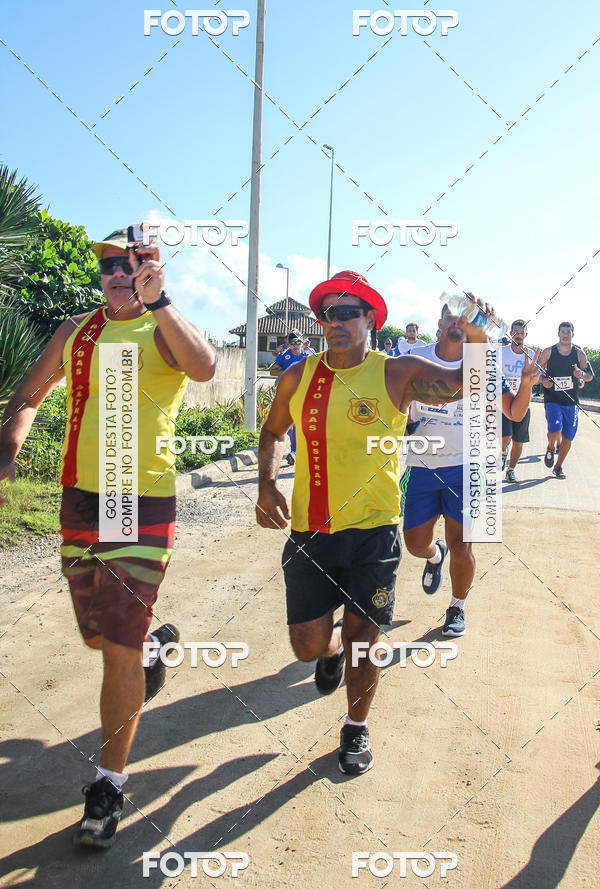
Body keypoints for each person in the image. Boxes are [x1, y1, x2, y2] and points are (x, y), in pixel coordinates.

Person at [0, 227, 215, 848]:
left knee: (117, 641)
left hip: (139, 501)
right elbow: (30, 393)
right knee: (99, 635)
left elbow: (203, 367)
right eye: (112, 267)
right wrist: (9, 445)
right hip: (82, 502)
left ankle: (108, 784)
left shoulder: (164, 328)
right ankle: (150, 652)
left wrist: (162, 302)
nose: (121, 274)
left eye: (134, 264)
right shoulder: (76, 330)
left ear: (152, 268)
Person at [256, 270, 498, 776]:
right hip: (311, 532)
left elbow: (467, 388)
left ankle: (355, 727)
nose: (336, 321)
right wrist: (267, 483)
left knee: (367, 638)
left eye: (348, 312)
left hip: (375, 533)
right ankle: (332, 648)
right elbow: (274, 430)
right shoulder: (298, 376)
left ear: (370, 318)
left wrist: (476, 331)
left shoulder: (398, 372)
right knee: (306, 645)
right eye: (328, 313)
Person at [401, 303, 539, 638]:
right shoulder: (412, 359)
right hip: (422, 466)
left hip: (467, 467)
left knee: (462, 544)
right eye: (453, 318)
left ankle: (457, 607)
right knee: (415, 543)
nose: (460, 324)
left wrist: (526, 384)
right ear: (440, 322)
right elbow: (396, 405)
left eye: (468, 320)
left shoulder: (483, 363)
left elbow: (515, 412)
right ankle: (435, 555)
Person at [540, 322, 593, 479]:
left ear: (572, 334)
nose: (565, 335)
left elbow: (589, 375)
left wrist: (581, 375)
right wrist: (543, 380)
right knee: (555, 431)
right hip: (552, 399)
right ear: (558, 334)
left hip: (571, 402)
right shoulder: (549, 352)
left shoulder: (579, 353)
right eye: (562, 332)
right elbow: (535, 372)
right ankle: (550, 447)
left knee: (568, 439)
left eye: (568, 332)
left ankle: (558, 466)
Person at [269, 329, 309, 465]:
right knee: (290, 426)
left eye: (298, 342)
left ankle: (295, 452)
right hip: (287, 393)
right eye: (293, 342)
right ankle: (294, 451)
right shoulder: (283, 356)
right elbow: (272, 371)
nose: (296, 345)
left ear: (302, 343)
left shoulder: (308, 356)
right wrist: (286, 372)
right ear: (289, 343)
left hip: (303, 394)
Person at [501, 320, 533, 483]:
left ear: (526, 334)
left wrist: (542, 381)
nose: (518, 335)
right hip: (504, 401)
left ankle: (511, 470)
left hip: (523, 403)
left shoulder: (532, 355)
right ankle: (502, 452)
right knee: (505, 436)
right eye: (515, 332)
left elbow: (538, 378)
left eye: (521, 333)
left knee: (518, 441)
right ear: (510, 333)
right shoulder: (500, 352)